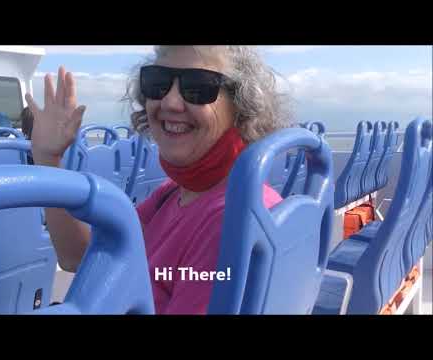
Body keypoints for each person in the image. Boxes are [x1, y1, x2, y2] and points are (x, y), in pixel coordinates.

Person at [25, 46, 292, 314]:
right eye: (158, 83)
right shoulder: (175, 193)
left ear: (241, 108)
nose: (170, 102)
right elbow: (82, 258)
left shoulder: (229, 221)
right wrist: (48, 158)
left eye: (198, 86)